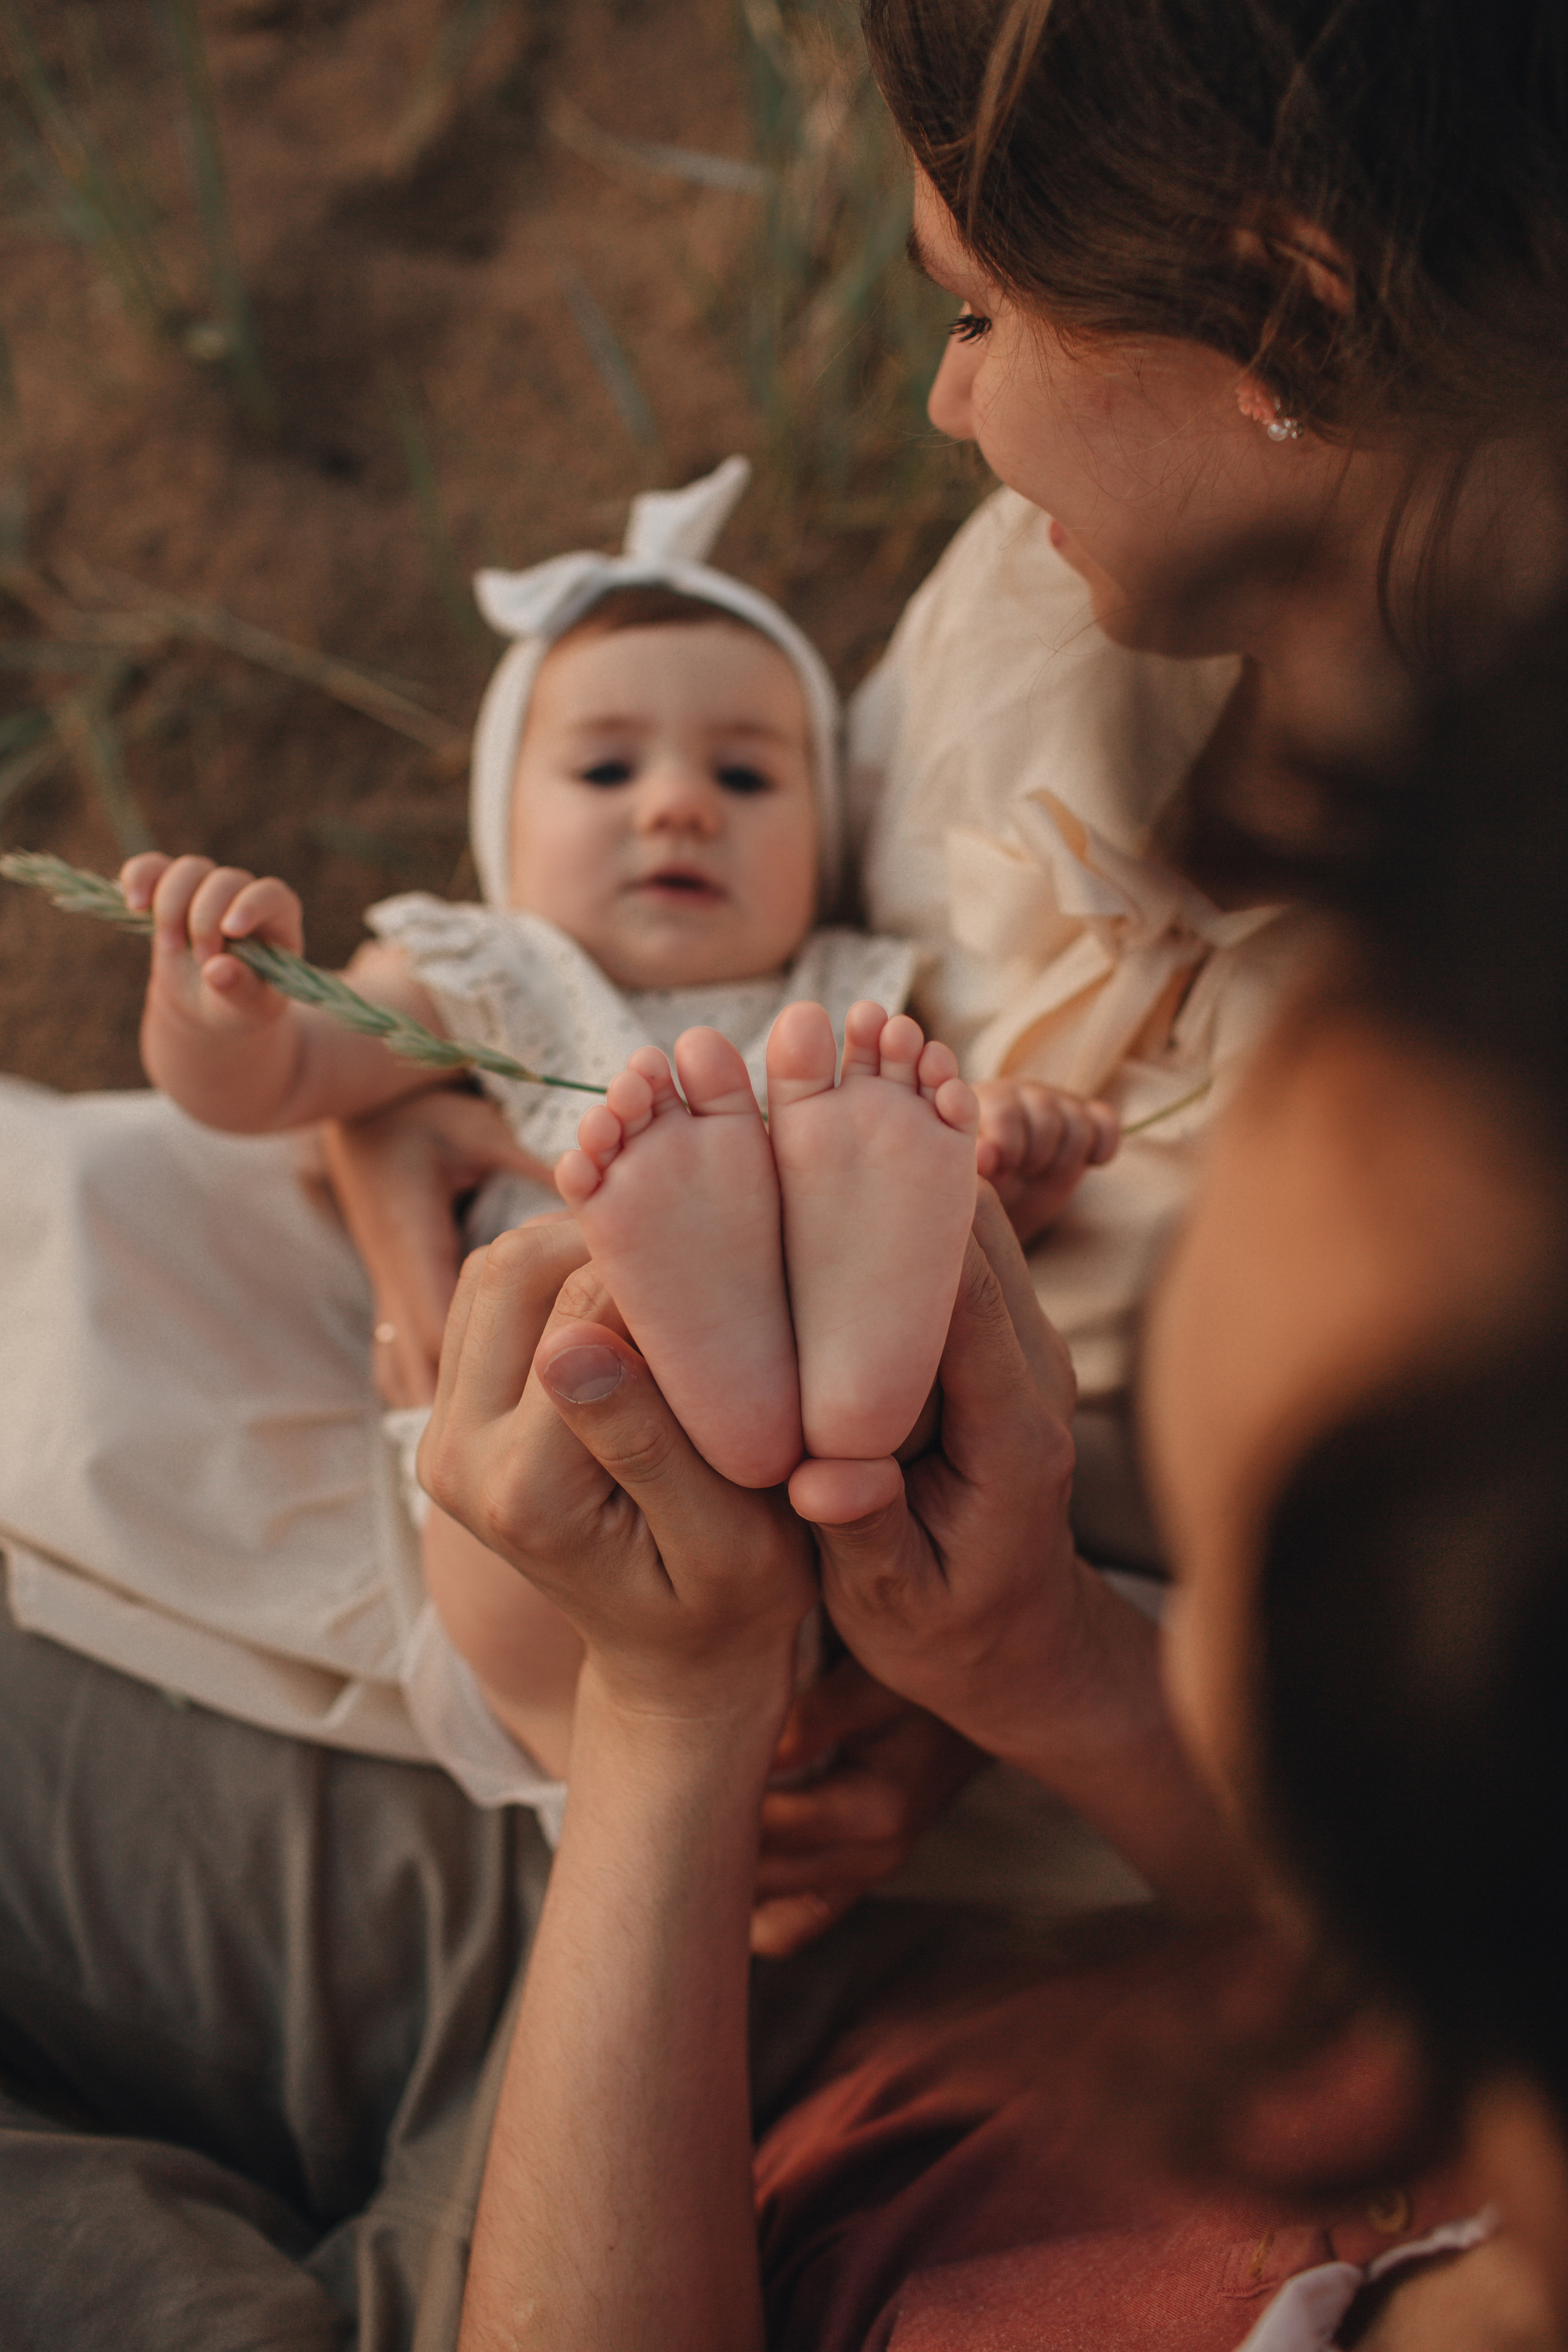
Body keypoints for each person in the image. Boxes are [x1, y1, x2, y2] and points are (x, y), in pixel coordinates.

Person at [6, 0, 1568, 2335]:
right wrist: (409, 1165)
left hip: (738, 1954)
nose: (941, 395)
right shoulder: (1100, 612)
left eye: (970, 312)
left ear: (1284, 309)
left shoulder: (1435, 1178)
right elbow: (579, 1002)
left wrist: (726, 1725)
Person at [415, 616, 1568, 2352]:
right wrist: (1031, 1652)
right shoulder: (1483, 2018)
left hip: (582, 2138)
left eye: (1230, 1574)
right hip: (842, 2027)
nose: (1176, 1643)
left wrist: (665, 1719)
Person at [115, 452, 1110, 1781]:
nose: (678, 803)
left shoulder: (847, 1005)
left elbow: (981, 1223)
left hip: (829, 1525)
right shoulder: (494, 972)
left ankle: (798, 1355)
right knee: (517, 1498)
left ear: (822, 838)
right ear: (504, 824)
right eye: (602, 770)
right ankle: (717, 1362)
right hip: (555, 1476)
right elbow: (278, 1085)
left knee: (910, 1286)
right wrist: (223, 1008)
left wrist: (997, 1171)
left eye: (748, 781)